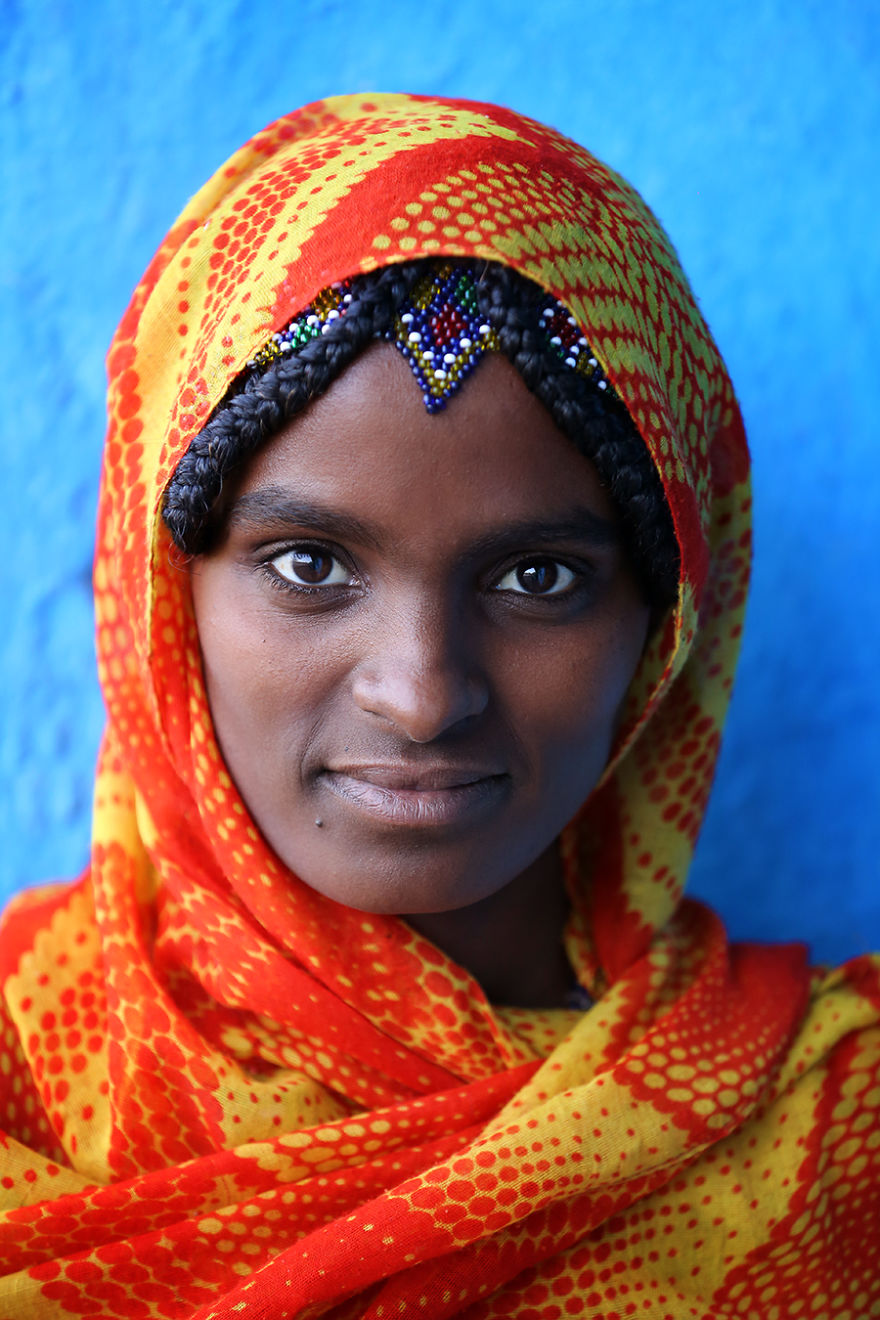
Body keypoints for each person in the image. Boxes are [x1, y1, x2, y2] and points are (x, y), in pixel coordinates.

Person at [0, 93, 877, 1319]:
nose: (419, 695)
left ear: (667, 625)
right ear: (162, 595)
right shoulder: (20, 1069)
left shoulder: (832, 1144)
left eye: (538, 578)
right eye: (310, 564)